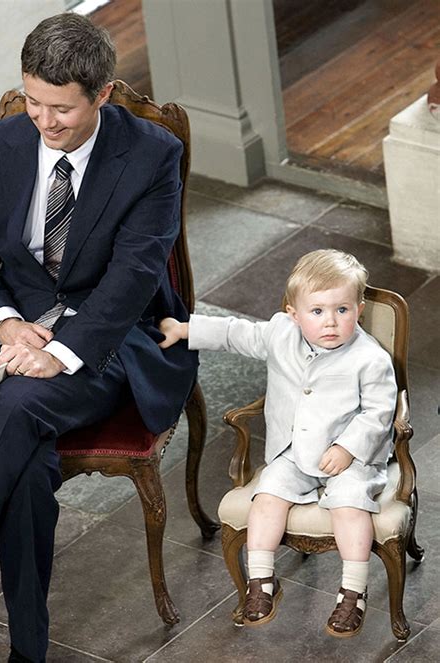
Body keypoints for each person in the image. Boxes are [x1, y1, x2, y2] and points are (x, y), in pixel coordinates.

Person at [0, 13, 197, 662]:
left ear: (100, 94)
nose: (43, 121)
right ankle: (28, 651)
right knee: (24, 464)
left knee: (14, 407)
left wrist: (56, 351)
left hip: (112, 339)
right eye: (33, 102)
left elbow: (132, 279)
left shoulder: (152, 155)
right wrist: (8, 324)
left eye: (61, 110)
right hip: (13, 335)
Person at [159, 249, 397, 638]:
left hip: (350, 457)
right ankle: (262, 582)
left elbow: (378, 412)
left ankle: (353, 590)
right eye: (317, 311)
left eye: (342, 310)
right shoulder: (279, 334)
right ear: (293, 313)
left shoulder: (369, 358)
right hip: (291, 451)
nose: (331, 322)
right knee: (267, 499)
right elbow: (237, 333)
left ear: (359, 309)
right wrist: (185, 329)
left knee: (351, 506)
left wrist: (348, 448)